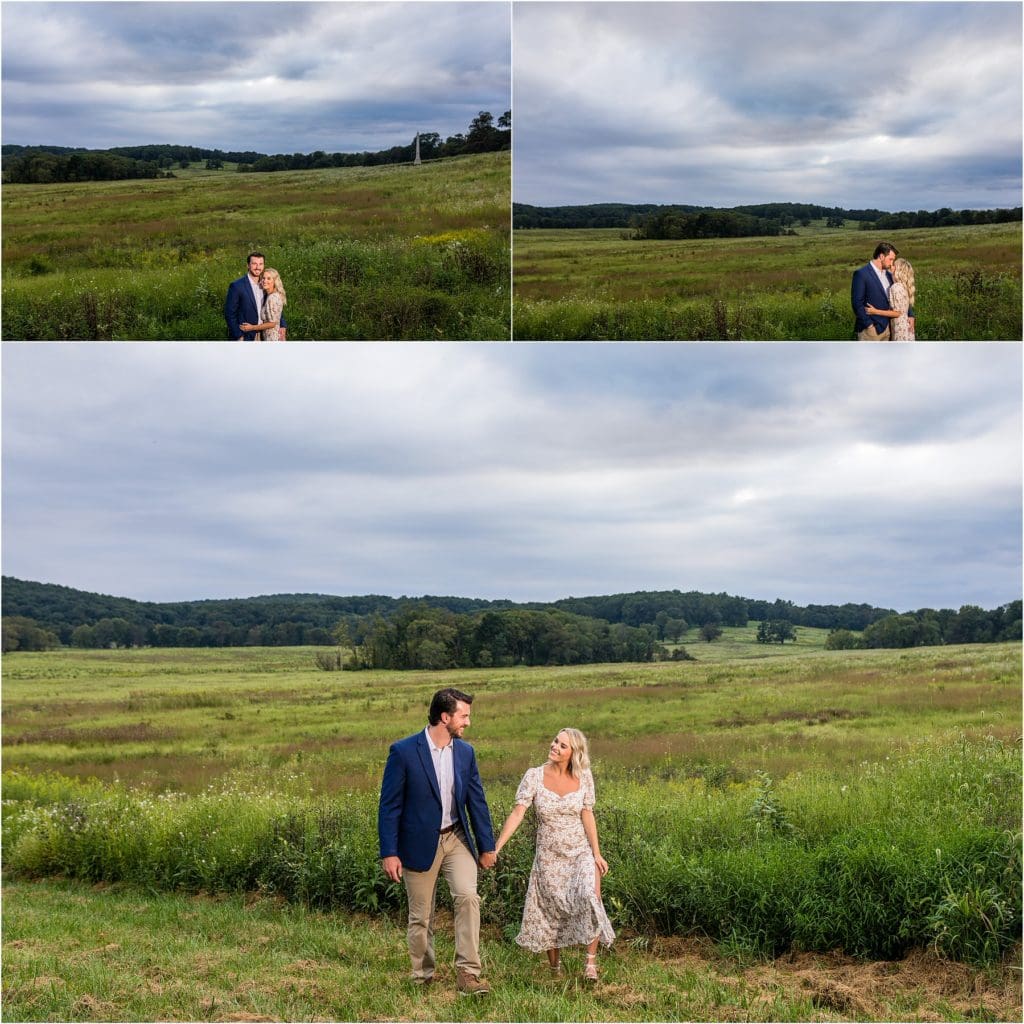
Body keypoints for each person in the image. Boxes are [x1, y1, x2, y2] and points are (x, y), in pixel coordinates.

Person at [378, 688, 496, 995]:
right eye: (464, 716)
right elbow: (389, 806)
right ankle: (423, 974)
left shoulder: (465, 753)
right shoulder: (403, 752)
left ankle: (468, 974)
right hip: (418, 844)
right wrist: (389, 852)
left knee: (468, 897)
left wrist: (487, 846)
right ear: (445, 717)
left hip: (456, 838)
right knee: (421, 916)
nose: (468, 722)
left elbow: (477, 802)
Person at [493, 728, 614, 982]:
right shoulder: (534, 776)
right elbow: (518, 813)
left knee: (591, 894)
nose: (555, 746)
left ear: (574, 753)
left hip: (580, 851)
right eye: (555, 741)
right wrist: (497, 847)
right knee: (549, 908)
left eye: (562, 746)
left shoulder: (584, 776)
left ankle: (590, 963)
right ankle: (554, 969)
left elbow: (587, 813)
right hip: (549, 856)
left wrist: (597, 853)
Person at [851, 241, 913, 341]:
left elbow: (901, 297)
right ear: (881, 256)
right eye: (891, 259)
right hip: (870, 332)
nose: (892, 263)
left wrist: (910, 314)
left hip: (889, 329)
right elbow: (857, 303)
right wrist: (869, 326)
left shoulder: (890, 275)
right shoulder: (861, 274)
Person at [224, 252, 286, 340]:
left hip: (264, 334)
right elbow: (229, 313)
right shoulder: (237, 286)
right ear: (248, 265)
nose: (258, 267)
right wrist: (238, 335)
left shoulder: (266, 284)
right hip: (246, 335)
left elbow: (274, 307)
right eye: (254, 264)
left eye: (261, 264)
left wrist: (282, 324)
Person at [869, 257, 916, 341]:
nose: (891, 265)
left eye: (894, 265)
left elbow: (897, 313)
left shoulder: (896, 287)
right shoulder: (903, 285)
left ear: (898, 270)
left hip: (900, 328)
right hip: (905, 326)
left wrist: (875, 311)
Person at [241, 268, 287, 341]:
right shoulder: (269, 295)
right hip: (268, 336)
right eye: (263, 278)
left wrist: (252, 327)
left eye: (269, 279)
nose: (265, 281)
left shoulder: (272, 298)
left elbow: (272, 323)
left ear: (274, 281)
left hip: (273, 338)